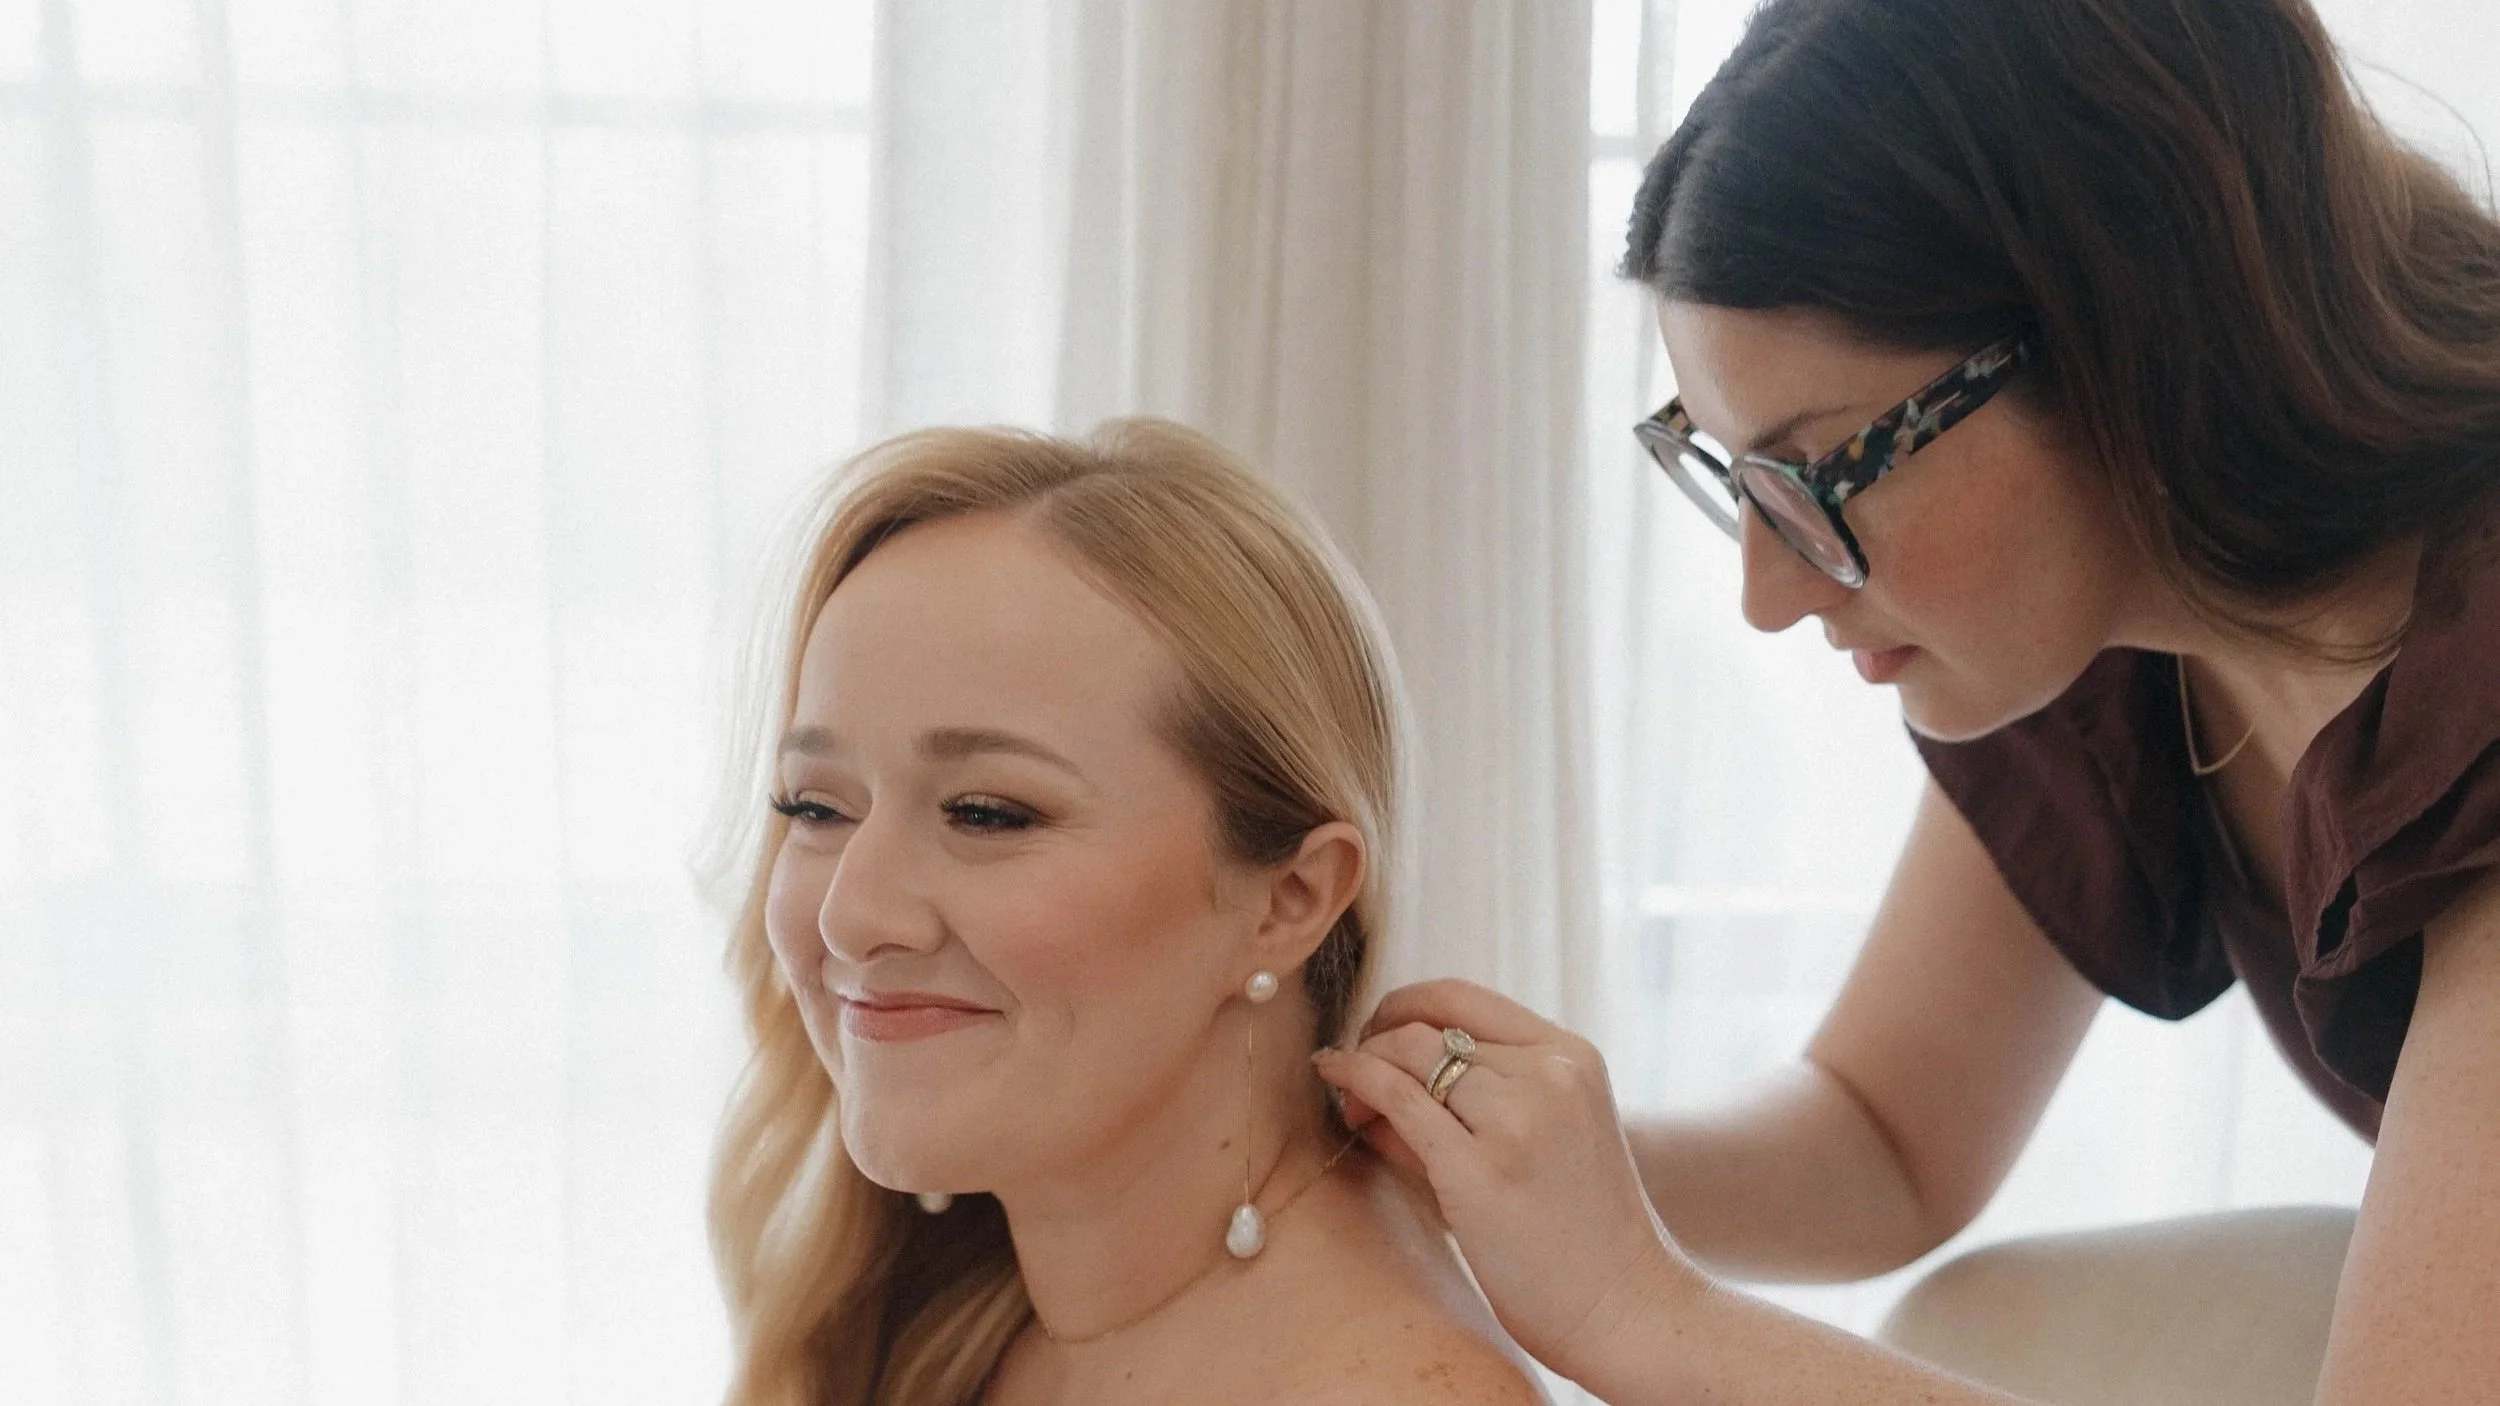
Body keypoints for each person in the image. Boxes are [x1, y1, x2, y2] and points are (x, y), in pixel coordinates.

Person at [1313, 0, 2500, 1400]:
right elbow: (1885, 1138)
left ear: (2125, 337)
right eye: (1736, 479)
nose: (1769, 590)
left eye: (1822, 473)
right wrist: (1451, 1157)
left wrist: (1638, 1309)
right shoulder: (2142, 611)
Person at [704, 419, 1545, 1404]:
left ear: (1290, 897)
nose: (852, 915)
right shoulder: (961, 1301)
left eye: (986, 811)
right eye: (815, 805)